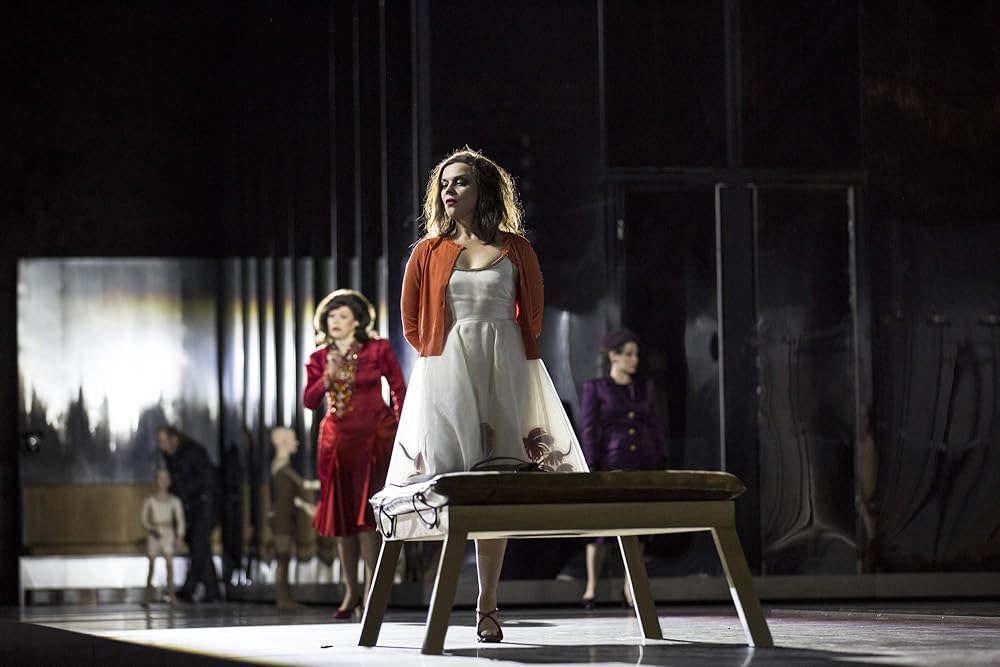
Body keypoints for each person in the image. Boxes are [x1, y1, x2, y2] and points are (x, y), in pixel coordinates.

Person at [378, 147, 589, 643]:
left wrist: (505, 352)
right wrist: (445, 356)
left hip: (506, 368)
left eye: (461, 182)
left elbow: (531, 314)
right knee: (447, 477)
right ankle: (438, 598)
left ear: (484, 189)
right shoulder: (428, 251)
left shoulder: (516, 248)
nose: (449, 191)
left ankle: (487, 603)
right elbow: (411, 322)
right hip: (448, 369)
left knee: (499, 480)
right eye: (444, 184)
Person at [303, 289, 406, 620]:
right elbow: (309, 400)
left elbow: (399, 389)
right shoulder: (319, 357)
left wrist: (404, 429)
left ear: (357, 321)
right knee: (342, 518)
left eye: (343, 316)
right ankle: (350, 591)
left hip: (374, 438)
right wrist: (327, 378)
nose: (336, 321)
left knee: (367, 518)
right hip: (337, 443)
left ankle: (372, 593)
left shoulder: (378, 348)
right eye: (331, 316)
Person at [579, 329, 668, 608]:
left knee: (640, 524)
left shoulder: (644, 387)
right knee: (600, 525)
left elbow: (654, 424)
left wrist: (660, 457)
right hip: (611, 460)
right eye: (628, 354)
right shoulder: (596, 387)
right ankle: (591, 586)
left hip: (642, 459)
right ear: (613, 356)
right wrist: (591, 463)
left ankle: (631, 586)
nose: (634, 359)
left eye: (636, 354)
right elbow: (589, 428)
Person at [156, 424, 222, 602]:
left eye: (164, 441)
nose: (162, 446)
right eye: (160, 442)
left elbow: (206, 479)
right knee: (200, 547)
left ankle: (190, 588)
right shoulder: (171, 456)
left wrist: (199, 497)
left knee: (199, 545)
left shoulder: (192, 451)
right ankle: (212, 590)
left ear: (173, 438)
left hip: (205, 503)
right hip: (192, 506)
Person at [268, 426, 321, 610]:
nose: (296, 443)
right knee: (282, 559)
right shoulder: (283, 468)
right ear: (283, 443)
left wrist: (306, 507)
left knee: (284, 559)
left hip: (284, 521)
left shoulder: (281, 468)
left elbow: (290, 497)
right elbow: (303, 485)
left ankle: (283, 596)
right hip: (281, 523)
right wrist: (327, 481)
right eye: (293, 439)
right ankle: (282, 598)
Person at [140, 467, 185, 606]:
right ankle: (146, 596)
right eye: (160, 478)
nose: (163, 481)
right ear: (156, 480)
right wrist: (152, 529)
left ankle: (172, 595)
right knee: (151, 565)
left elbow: (180, 519)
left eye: (165, 478)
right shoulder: (150, 501)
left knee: (169, 565)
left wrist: (179, 536)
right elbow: (144, 520)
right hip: (155, 534)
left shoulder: (174, 501)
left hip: (168, 533)